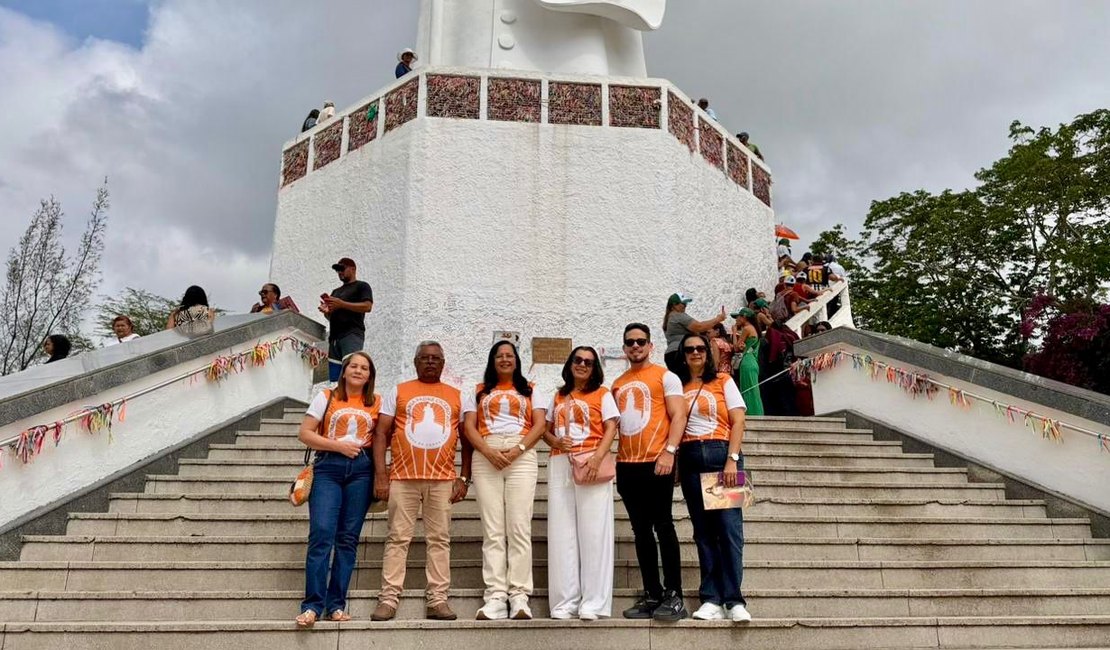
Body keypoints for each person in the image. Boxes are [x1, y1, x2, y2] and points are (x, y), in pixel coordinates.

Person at [372, 341, 474, 622]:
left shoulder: (457, 395)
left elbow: (467, 439)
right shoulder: (399, 391)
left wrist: (464, 477)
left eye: (436, 358)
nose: (430, 362)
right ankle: (389, 598)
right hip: (402, 478)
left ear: (443, 363)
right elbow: (381, 433)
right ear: (415, 362)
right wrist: (381, 474)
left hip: (442, 480)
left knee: (440, 539)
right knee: (397, 538)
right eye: (425, 358)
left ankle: (438, 600)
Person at [462, 341, 548, 621]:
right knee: (493, 528)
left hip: (520, 453)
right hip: (486, 453)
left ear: (517, 360)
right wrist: (488, 451)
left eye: (509, 355)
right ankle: (496, 595)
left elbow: (539, 425)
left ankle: (519, 594)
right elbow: (468, 427)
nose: (505, 359)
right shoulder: (478, 390)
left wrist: (517, 450)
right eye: (499, 355)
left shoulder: (531, 388)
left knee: (519, 526)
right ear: (492, 360)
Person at [295, 351, 380, 628]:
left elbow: (382, 438)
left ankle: (336, 605)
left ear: (370, 375)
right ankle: (312, 605)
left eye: (364, 368)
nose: (358, 370)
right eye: (353, 366)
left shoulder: (376, 402)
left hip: (362, 471)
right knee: (322, 534)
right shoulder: (326, 397)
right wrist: (338, 445)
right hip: (328, 467)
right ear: (344, 371)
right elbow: (305, 433)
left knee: (348, 539)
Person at [611, 323, 688, 621]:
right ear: (624, 347)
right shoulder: (617, 383)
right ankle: (652, 593)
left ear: (650, 345)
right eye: (630, 342)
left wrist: (670, 451)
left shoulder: (666, 376)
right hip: (627, 465)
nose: (635, 346)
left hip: (657, 461)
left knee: (664, 526)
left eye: (641, 341)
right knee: (640, 531)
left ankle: (674, 594)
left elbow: (678, 415)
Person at [673, 333, 751, 623]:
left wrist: (732, 460)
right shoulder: (678, 386)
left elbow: (739, 420)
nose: (695, 352)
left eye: (700, 348)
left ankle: (734, 599)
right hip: (692, 456)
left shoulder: (722, 381)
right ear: (683, 354)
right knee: (704, 532)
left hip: (721, 454)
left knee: (729, 531)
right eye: (689, 348)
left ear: (708, 353)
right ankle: (711, 598)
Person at [544, 346, 620, 621]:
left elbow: (611, 426)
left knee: (594, 534)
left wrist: (597, 459)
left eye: (588, 362)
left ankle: (594, 602)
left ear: (595, 367)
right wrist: (555, 442)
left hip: (591, 461)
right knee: (561, 533)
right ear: (570, 363)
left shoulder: (603, 394)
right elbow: (546, 429)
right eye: (578, 360)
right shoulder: (559, 395)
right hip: (561, 462)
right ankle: (564, 602)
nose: (582, 365)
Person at [320, 258, 374, 383]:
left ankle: (353, 400)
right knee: (335, 379)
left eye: (342, 269)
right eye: (337, 270)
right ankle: (339, 401)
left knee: (352, 371)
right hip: (334, 338)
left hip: (351, 335)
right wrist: (327, 312)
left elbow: (367, 306)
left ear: (353, 269)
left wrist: (342, 304)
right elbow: (332, 317)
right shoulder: (336, 292)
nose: (340, 272)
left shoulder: (362, 286)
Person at [663, 292, 726, 373]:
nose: (685, 306)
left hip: (672, 353)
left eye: (686, 304)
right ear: (674, 305)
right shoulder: (678, 316)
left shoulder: (669, 317)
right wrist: (718, 319)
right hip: (680, 352)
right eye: (683, 304)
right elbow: (699, 327)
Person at [760, 320, 798, 416]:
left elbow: (770, 358)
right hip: (789, 373)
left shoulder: (773, 338)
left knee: (780, 400)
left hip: (776, 374)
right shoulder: (790, 337)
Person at [730, 309, 764, 416]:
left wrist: (734, 332)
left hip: (747, 362)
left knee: (748, 390)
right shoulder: (753, 329)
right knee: (753, 390)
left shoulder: (747, 328)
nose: (737, 320)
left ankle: (752, 414)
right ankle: (757, 413)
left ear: (744, 317)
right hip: (752, 361)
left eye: (738, 317)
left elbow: (736, 348)